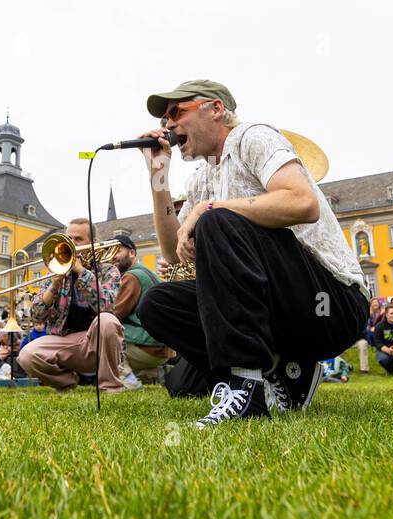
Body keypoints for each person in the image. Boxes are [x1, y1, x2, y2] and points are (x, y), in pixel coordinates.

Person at [133, 80, 367, 426]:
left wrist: (209, 209)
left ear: (214, 109)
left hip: (332, 301)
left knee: (216, 220)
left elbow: (304, 203)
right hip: (280, 307)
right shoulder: (200, 179)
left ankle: (246, 388)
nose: (167, 125)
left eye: (175, 112)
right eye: (165, 118)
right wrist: (158, 176)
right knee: (157, 304)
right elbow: (174, 252)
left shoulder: (253, 136)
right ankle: (283, 371)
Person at [17, 218, 128, 393]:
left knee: (107, 320)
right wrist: (53, 286)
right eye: (69, 238)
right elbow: (37, 316)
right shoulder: (56, 270)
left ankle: (110, 387)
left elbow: (106, 305)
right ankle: (67, 383)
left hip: (96, 342)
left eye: (78, 239)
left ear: (93, 243)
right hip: (64, 340)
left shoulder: (108, 271)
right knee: (26, 355)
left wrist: (81, 272)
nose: (71, 243)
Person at [110, 234, 168, 387]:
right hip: (161, 346)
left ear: (132, 253)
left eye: (117, 251)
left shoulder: (131, 277)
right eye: (110, 252)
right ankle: (152, 372)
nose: (112, 257)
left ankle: (128, 381)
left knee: (102, 331)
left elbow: (113, 315)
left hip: (148, 346)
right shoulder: (146, 271)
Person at [357, 297, 384, 373]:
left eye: (376, 302)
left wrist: (376, 328)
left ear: (379, 304)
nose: (375, 304)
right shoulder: (366, 314)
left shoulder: (384, 314)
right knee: (363, 343)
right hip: (367, 336)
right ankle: (363, 369)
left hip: (379, 335)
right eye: (373, 302)